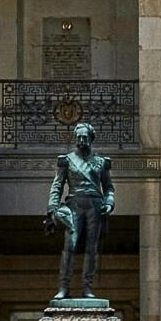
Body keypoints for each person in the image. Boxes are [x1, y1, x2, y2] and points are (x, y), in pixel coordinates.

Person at [47, 121, 115, 301]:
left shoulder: (101, 162)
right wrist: (53, 207)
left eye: (85, 137)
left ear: (91, 138)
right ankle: (64, 286)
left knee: (91, 248)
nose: (81, 140)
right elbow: (57, 186)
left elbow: (108, 188)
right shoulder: (66, 160)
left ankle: (87, 286)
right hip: (74, 204)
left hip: (95, 206)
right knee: (70, 246)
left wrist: (109, 202)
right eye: (79, 137)